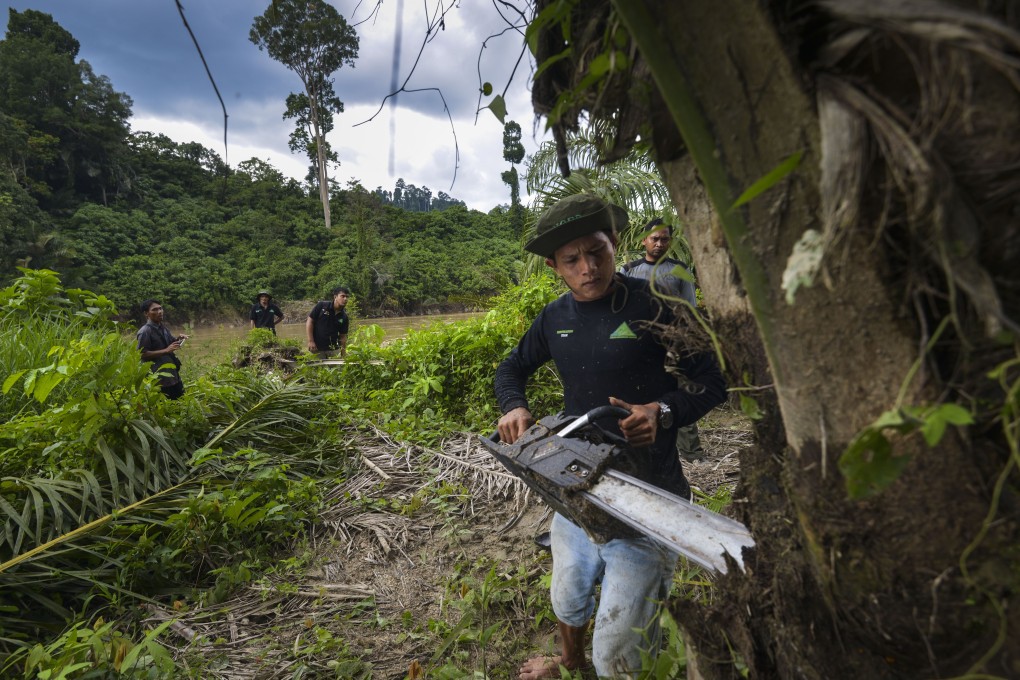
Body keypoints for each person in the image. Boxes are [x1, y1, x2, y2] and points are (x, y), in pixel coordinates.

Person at [495, 194, 726, 679]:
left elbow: (712, 382)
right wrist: (513, 404)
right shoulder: (554, 318)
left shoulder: (657, 308)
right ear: (554, 266)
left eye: (596, 251)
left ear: (615, 243)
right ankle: (568, 662)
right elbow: (512, 368)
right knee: (568, 592)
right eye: (572, 259)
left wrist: (661, 411)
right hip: (579, 488)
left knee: (619, 653)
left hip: (649, 495)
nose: (588, 267)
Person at [621, 218, 706, 461]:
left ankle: (691, 453)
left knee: (679, 391)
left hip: (674, 342)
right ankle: (639, 450)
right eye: (655, 239)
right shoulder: (629, 270)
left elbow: (690, 309)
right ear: (644, 240)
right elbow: (620, 307)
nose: (659, 243)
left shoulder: (679, 269)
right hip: (637, 343)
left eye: (665, 239)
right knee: (637, 394)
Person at [136, 299, 188, 400]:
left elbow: (169, 343)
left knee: (181, 402)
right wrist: (166, 351)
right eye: (155, 310)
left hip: (172, 375)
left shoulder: (162, 327)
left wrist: (178, 339)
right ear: (147, 314)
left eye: (160, 308)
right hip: (159, 379)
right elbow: (142, 354)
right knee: (167, 407)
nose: (159, 312)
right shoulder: (145, 331)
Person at [306, 286, 350, 358]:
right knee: (317, 368)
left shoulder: (344, 317)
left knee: (336, 369)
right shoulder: (322, 306)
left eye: (347, 297)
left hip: (334, 350)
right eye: (343, 296)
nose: (345, 299)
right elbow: (310, 321)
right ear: (335, 297)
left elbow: (343, 337)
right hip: (317, 348)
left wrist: (343, 354)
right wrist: (311, 341)